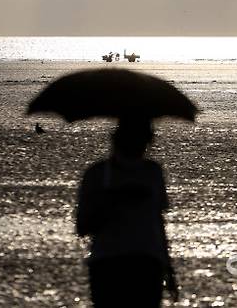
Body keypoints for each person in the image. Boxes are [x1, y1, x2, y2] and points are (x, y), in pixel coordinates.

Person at [76, 119, 178, 307]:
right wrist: (113, 201)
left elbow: (158, 221)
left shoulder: (153, 172)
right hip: (109, 264)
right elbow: (82, 226)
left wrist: (168, 268)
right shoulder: (98, 175)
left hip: (147, 263)